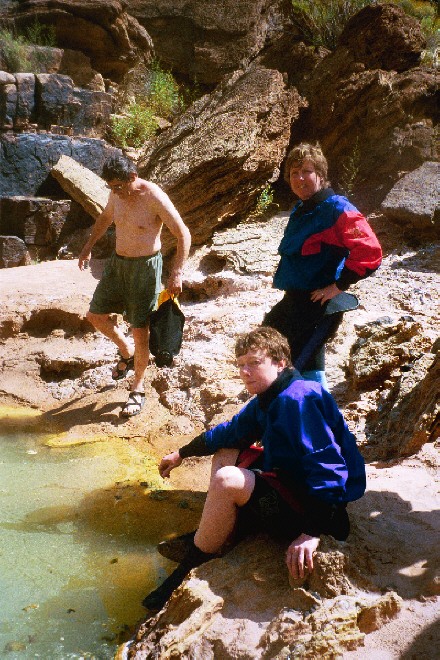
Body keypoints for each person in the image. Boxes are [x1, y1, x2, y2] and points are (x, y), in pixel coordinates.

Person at [142, 326, 366, 611]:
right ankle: (217, 532)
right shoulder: (272, 395)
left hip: (319, 514)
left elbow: (329, 468)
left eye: (254, 363)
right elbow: (230, 432)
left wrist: (312, 532)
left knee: (226, 480)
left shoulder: (298, 400)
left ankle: (187, 568)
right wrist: (182, 453)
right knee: (226, 452)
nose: (245, 372)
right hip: (290, 487)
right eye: (241, 365)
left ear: (280, 362)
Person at [78, 154, 191, 417]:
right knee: (95, 315)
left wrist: (176, 273)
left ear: (132, 177)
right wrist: (87, 247)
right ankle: (125, 350)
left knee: (140, 329)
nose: (115, 192)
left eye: (119, 186)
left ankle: (138, 389)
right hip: (118, 265)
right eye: (110, 187)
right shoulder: (116, 194)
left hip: (146, 269)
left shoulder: (153, 196)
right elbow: (105, 219)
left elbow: (183, 233)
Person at [264, 142, 382, 388]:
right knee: (267, 349)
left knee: (306, 373)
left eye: (306, 171)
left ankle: (320, 419)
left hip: (319, 307)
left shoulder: (336, 208)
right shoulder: (301, 210)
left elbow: (369, 250)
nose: (299, 178)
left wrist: (338, 286)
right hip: (293, 302)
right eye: (294, 173)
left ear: (320, 174)